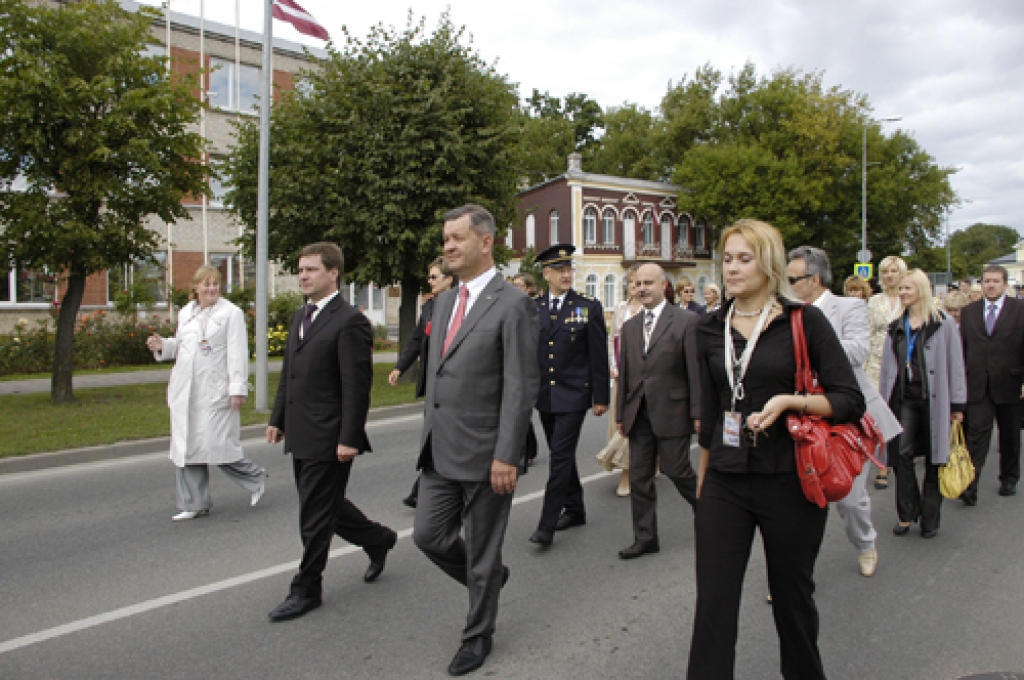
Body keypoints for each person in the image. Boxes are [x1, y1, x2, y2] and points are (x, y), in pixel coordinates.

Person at [687, 219, 865, 680]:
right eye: (727, 258)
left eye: (744, 258)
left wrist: (791, 401)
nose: (732, 268)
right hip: (726, 480)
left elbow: (849, 400)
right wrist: (704, 488)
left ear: (768, 264)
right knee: (714, 605)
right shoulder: (709, 328)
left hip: (791, 481)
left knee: (792, 601)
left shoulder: (804, 321)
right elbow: (710, 414)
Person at [412, 205, 539, 676]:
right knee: (428, 535)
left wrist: (508, 453)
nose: (448, 246)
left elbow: (520, 385)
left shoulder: (512, 303)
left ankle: (477, 634)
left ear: (485, 243)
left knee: (483, 551)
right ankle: (489, 579)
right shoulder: (443, 301)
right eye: (445, 237)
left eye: (457, 238)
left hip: (490, 454)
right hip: (440, 449)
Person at [265, 243, 398, 623]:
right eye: (300, 270)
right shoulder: (299, 316)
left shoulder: (349, 320)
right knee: (325, 508)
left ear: (333, 272)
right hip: (301, 432)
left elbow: (357, 387)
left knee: (314, 516)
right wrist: (277, 418)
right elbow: (290, 374)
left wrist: (350, 438)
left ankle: (306, 589)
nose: (303, 276)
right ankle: (378, 539)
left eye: (310, 269)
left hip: (330, 435)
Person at [787, 247, 902, 577]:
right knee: (798, 500)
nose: (787, 284)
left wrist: (810, 339)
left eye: (793, 279)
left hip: (847, 415)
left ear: (815, 280)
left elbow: (857, 351)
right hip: (801, 416)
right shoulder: (785, 311)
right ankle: (794, 573)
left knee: (849, 498)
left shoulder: (850, 307)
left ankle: (865, 543)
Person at [147, 265, 265, 522]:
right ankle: (194, 503)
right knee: (187, 446)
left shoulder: (231, 314)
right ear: (196, 287)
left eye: (216, 284)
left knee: (217, 444)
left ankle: (254, 477)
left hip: (215, 390)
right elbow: (181, 346)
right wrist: (162, 346)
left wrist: (238, 388)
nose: (211, 288)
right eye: (206, 284)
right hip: (187, 390)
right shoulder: (186, 313)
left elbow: (237, 353)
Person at [615, 263, 701, 559]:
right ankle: (645, 538)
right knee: (639, 478)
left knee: (677, 469)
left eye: (648, 283)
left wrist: (698, 412)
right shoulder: (629, 327)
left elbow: (695, 372)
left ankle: (710, 514)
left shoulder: (686, 321)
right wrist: (620, 417)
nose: (642, 289)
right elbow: (626, 374)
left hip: (672, 410)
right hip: (638, 413)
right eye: (637, 283)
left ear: (664, 285)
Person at [529, 244, 609, 548]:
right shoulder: (534, 307)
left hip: (575, 394)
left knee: (559, 459)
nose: (566, 274)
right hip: (546, 394)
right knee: (561, 455)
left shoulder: (588, 306)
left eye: (569, 269)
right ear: (546, 273)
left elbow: (597, 355)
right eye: (559, 270)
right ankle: (575, 509)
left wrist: (600, 396)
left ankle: (546, 525)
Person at [879, 269, 966, 537]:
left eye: (907, 288)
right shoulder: (896, 326)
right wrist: (881, 406)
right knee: (901, 454)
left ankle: (930, 517)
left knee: (934, 457)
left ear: (921, 289)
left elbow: (956, 363)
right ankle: (906, 513)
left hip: (935, 398)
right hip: (904, 398)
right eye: (900, 289)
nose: (902, 293)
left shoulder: (942, 323)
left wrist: (958, 404)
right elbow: (886, 369)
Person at [389, 256, 456, 508]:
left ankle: (425, 488)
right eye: (428, 277)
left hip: (452, 384)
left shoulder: (460, 307)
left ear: (449, 279)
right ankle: (426, 487)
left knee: (440, 437)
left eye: (434, 277)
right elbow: (417, 340)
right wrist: (399, 367)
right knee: (434, 436)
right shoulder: (429, 307)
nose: (429, 282)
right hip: (433, 384)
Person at [960, 264, 1024, 502]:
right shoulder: (970, 312)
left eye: (996, 281)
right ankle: (970, 484)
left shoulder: (1019, 309)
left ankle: (1009, 478)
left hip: (1010, 382)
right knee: (976, 435)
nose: (990, 285)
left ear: (1005, 284)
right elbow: (963, 348)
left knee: (1009, 435)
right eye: (987, 281)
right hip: (977, 384)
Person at [598, 263, 642, 497]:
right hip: (621, 376)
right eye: (632, 282)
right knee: (621, 422)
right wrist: (612, 366)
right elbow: (613, 339)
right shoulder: (621, 309)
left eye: (640, 282)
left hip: (644, 377)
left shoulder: (650, 310)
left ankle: (629, 472)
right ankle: (628, 464)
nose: (636, 287)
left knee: (638, 424)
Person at [865, 255, 907, 490]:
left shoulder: (909, 299)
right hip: (877, 365)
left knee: (901, 412)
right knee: (880, 416)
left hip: (903, 363)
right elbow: (868, 334)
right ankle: (882, 464)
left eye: (893, 271)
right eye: (885, 272)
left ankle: (902, 456)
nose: (889, 276)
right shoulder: (874, 302)